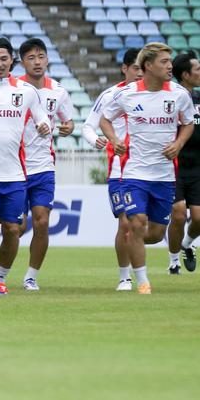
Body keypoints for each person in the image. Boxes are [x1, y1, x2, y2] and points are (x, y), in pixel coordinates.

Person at [100, 42, 195, 295]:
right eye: (164, 62)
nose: (170, 66)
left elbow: (188, 123)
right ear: (148, 66)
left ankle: (140, 264)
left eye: (170, 61)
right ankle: (142, 282)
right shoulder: (127, 94)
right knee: (135, 223)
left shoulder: (178, 94)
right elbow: (105, 119)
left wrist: (178, 143)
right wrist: (115, 140)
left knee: (153, 233)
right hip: (134, 174)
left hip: (164, 176)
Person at [0, 38, 49, 295]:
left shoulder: (27, 91)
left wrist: (43, 126)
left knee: (13, 229)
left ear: (11, 60)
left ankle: (0, 279)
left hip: (16, 174)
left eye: (3, 58)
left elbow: (42, 118)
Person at [17, 38, 75, 290]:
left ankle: (31, 276)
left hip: (43, 166)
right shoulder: (13, 88)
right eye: (31, 57)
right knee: (14, 227)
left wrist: (66, 129)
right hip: (13, 167)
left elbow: (69, 122)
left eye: (41, 56)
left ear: (47, 59)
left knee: (41, 221)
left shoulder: (58, 91)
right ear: (22, 62)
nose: (37, 61)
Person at [82, 48, 141, 290]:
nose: (140, 72)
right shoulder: (110, 95)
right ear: (124, 68)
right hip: (119, 170)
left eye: (142, 67)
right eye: (135, 67)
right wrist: (95, 140)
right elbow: (87, 126)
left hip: (150, 171)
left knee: (147, 227)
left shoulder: (156, 95)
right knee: (125, 224)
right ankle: (125, 277)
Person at [169, 52, 200, 273]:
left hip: (198, 167)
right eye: (197, 69)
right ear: (185, 74)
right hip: (175, 166)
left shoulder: (199, 99)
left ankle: (186, 245)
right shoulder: (171, 99)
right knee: (179, 213)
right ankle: (173, 262)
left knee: (198, 219)